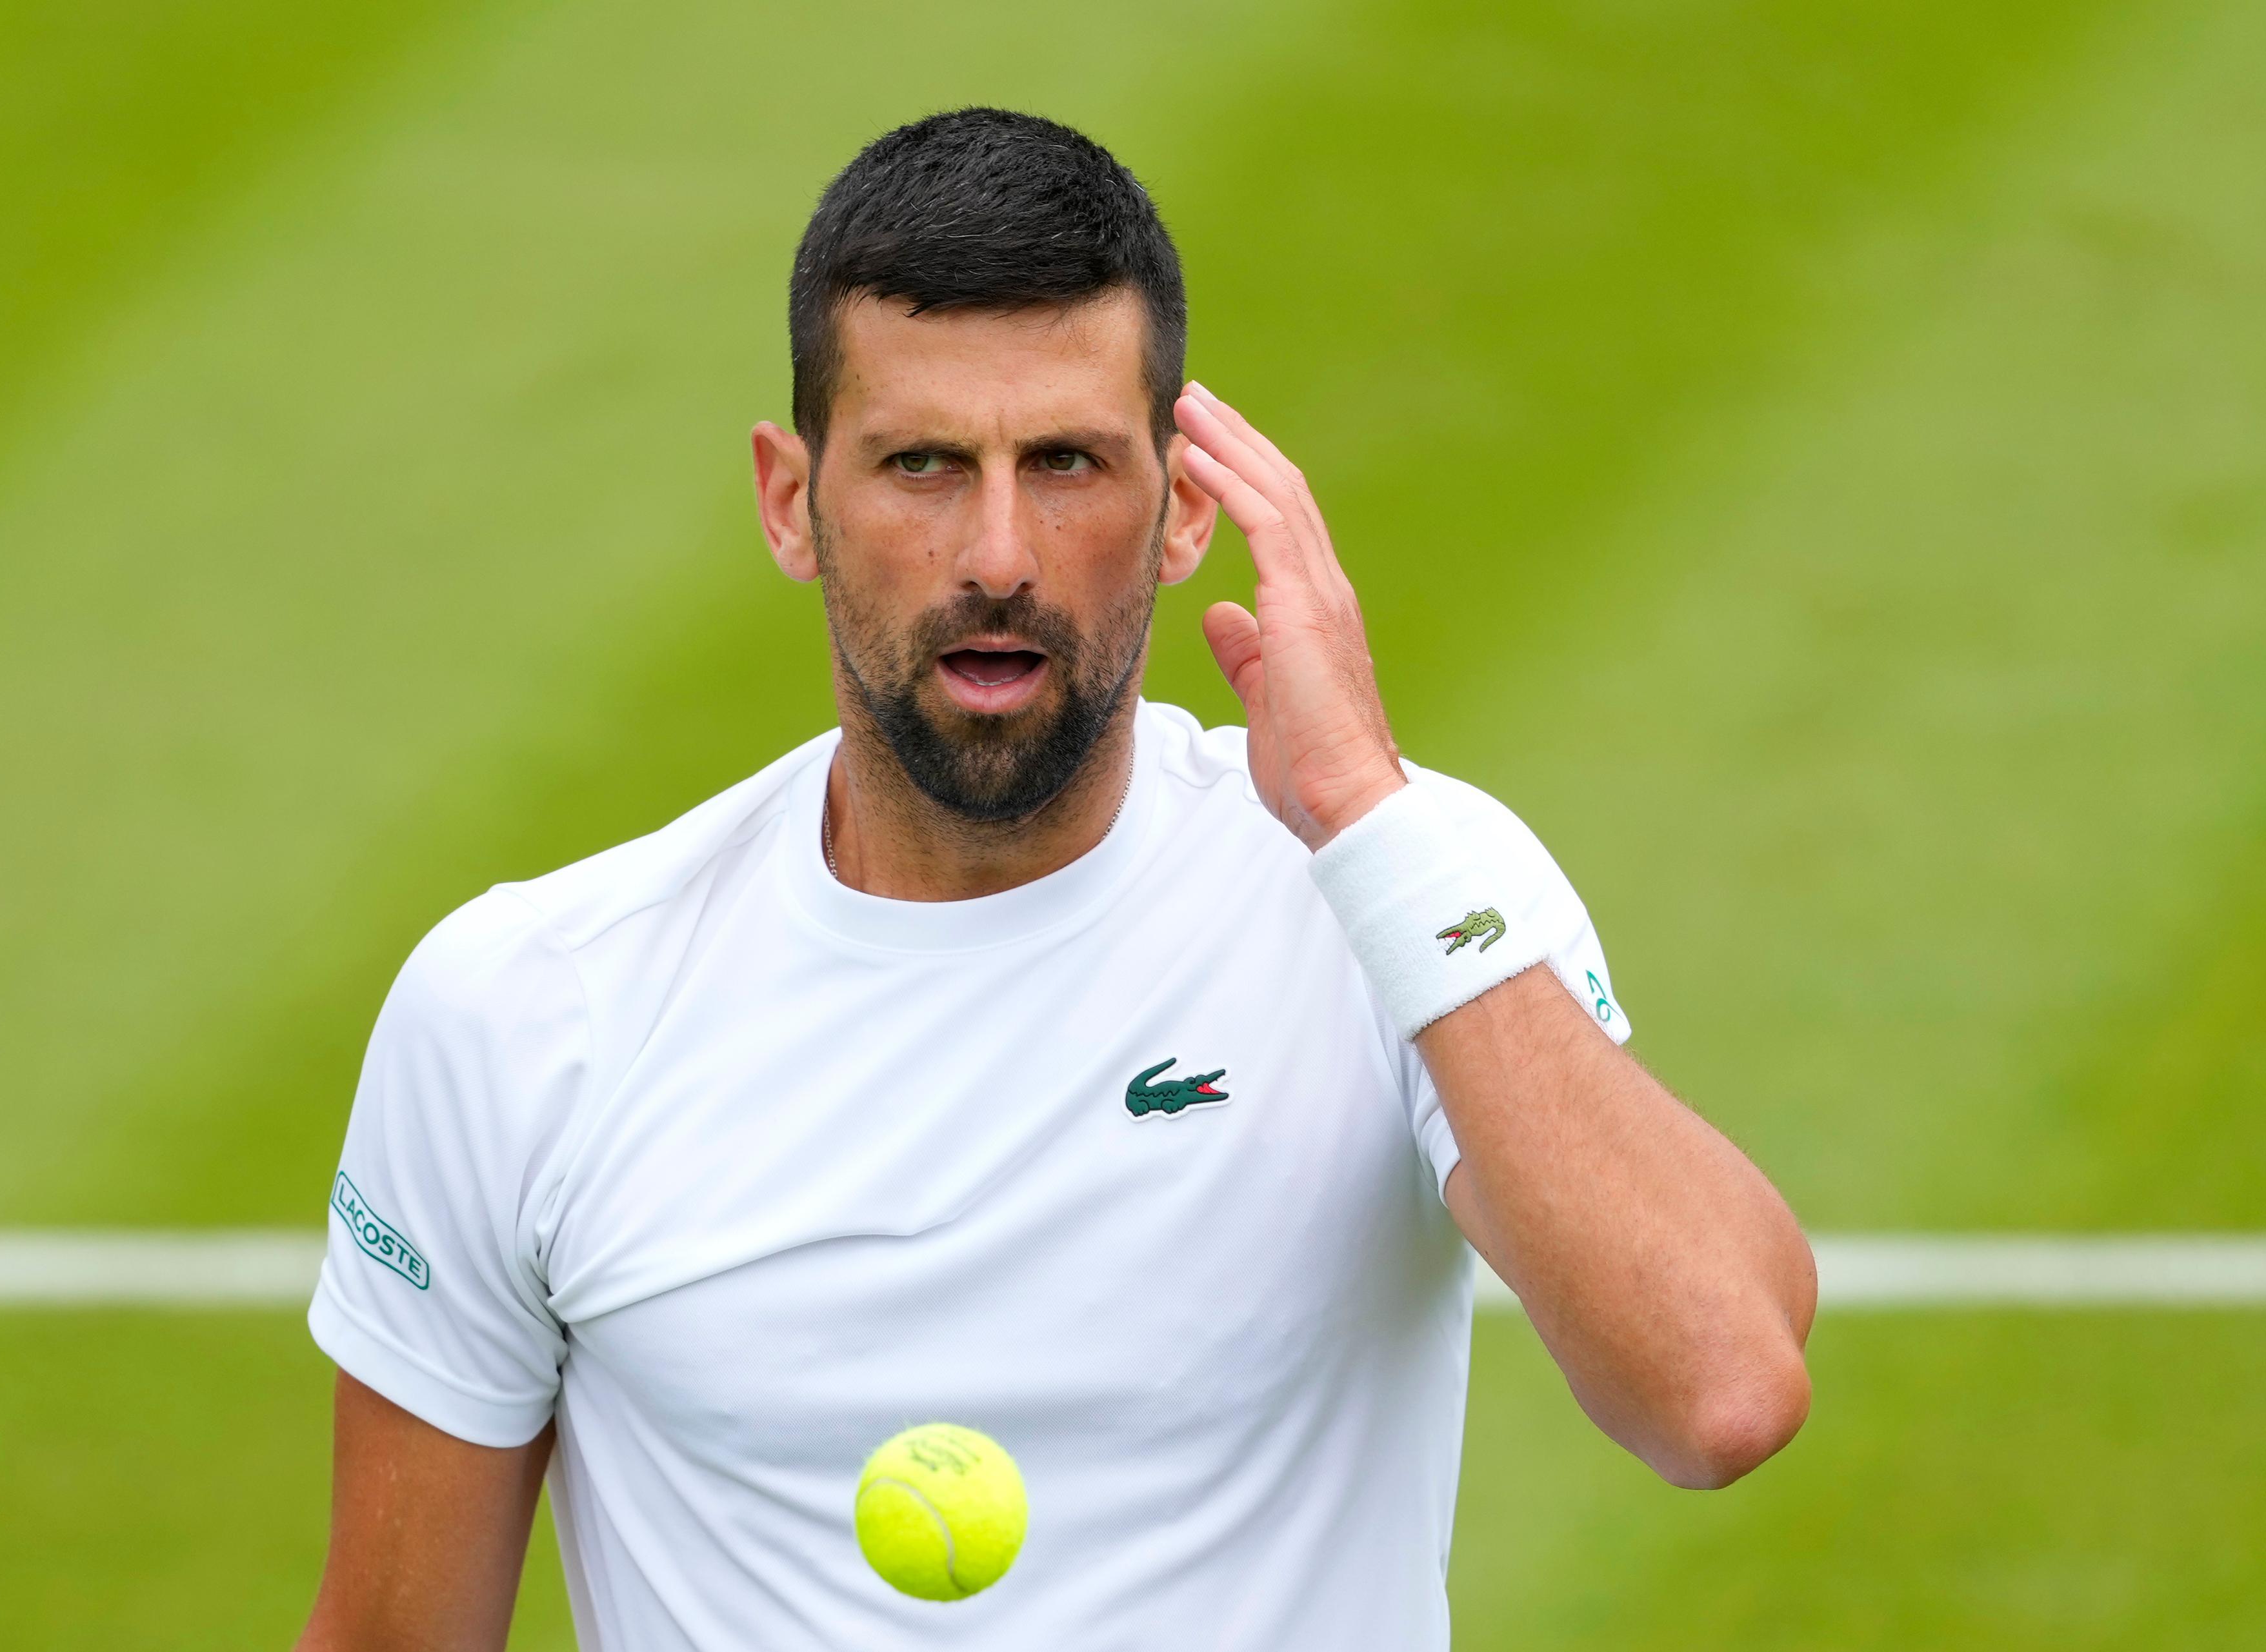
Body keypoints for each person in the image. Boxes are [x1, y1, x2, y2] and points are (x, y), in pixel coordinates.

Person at [295, 108, 1814, 1651]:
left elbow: (1720, 1390)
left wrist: (1361, 812)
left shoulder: (1407, 895)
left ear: (1187, 508)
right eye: (924, 465)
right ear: (789, 500)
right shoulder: (527, 1008)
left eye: (1070, 463)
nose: (1000, 552)